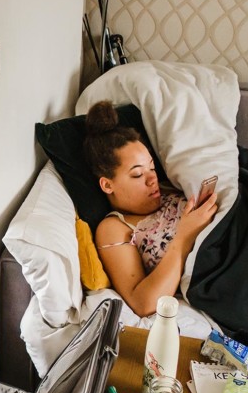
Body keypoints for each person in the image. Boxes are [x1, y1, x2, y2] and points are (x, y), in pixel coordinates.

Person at [84, 100, 218, 317]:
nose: (152, 179)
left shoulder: (171, 188)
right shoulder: (114, 227)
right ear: (107, 184)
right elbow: (143, 303)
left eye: (152, 167)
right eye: (137, 174)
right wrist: (183, 238)